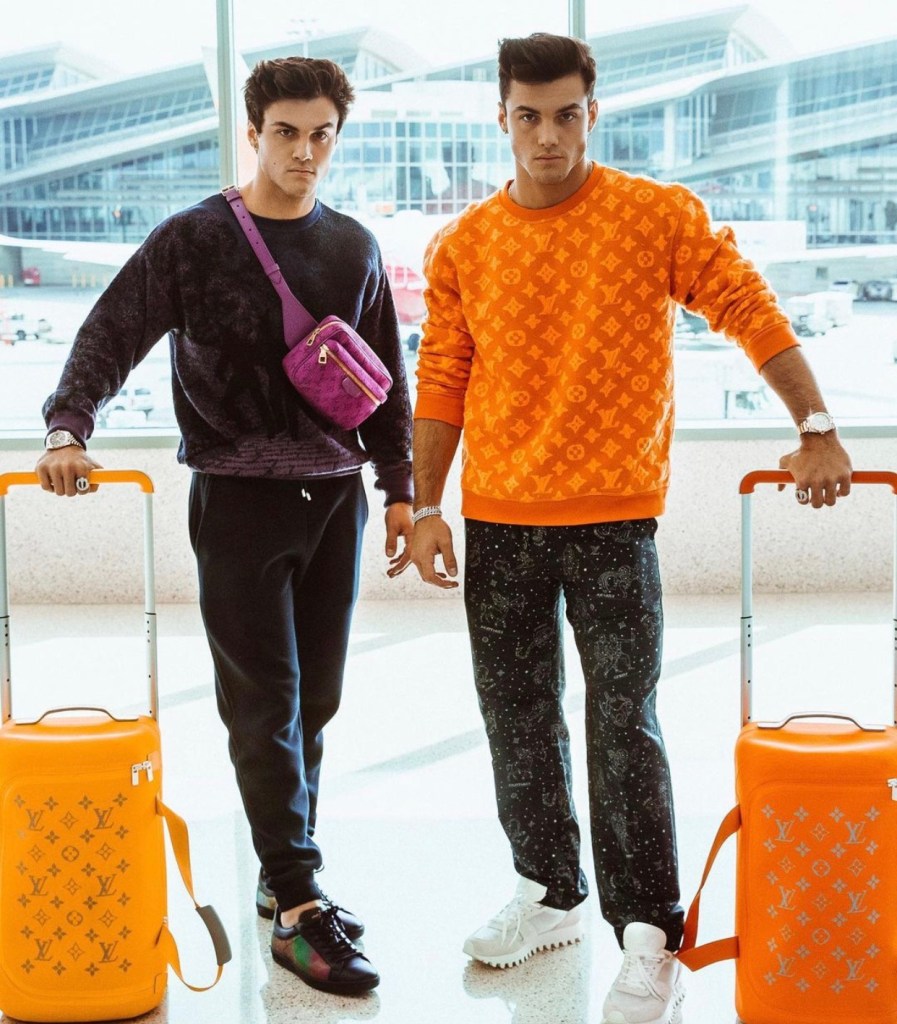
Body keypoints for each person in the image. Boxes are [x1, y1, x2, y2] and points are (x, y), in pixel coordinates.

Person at [402, 32, 852, 1024]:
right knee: (515, 716)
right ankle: (549, 892)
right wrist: (425, 505)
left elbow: (745, 304)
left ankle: (650, 934)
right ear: (502, 119)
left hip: (614, 518)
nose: (548, 136)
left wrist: (815, 425)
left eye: (566, 114)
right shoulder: (464, 244)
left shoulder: (654, 216)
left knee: (622, 723)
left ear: (592, 115)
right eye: (529, 116)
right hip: (499, 518)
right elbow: (441, 377)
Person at [36, 57, 413, 997]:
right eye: (285, 132)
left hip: (335, 499)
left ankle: (285, 873)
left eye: (321, 134)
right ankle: (298, 908)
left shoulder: (354, 247)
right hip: (238, 499)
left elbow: (384, 381)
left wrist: (401, 491)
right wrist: (68, 426)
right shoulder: (194, 240)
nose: (304, 151)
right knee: (264, 703)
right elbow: (112, 330)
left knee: (315, 702)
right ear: (253, 133)